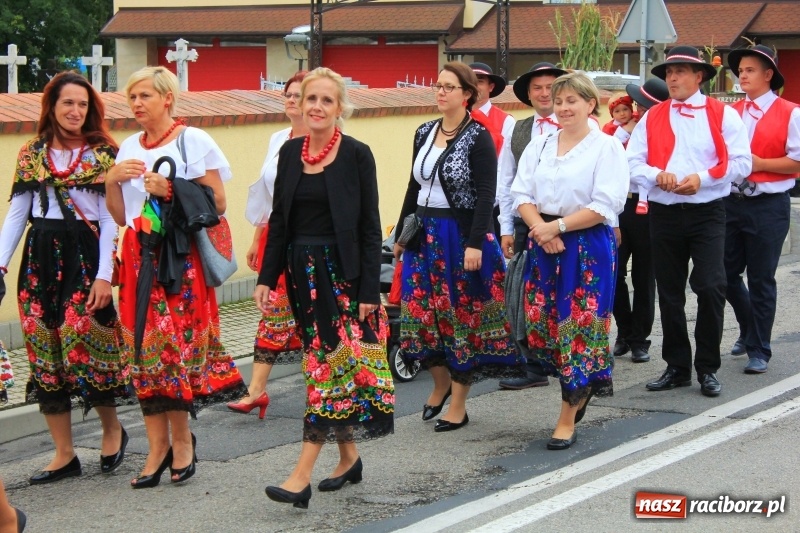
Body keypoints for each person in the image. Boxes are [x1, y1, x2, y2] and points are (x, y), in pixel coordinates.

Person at [255, 67, 394, 509]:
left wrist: (370, 291)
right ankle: (349, 457)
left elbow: (371, 228)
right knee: (327, 367)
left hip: (344, 278)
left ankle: (300, 477)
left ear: (340, 108)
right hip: (300, 275)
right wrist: (266, 278)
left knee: (326, 370)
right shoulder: (289, 151)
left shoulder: (357, 154)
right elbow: (279, 222)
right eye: (309, 99)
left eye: (326, 101)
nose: (316, 107)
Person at [105, 66, 247, 488]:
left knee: (174, 350)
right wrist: (112, 181)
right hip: (137, 255)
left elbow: (217, 202)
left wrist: (170, 187)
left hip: (179, 258)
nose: (136, 104)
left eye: (144, 96)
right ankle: (156, 447)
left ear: (167, 98)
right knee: (144, 353)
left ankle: (181, 442)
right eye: (132, 98)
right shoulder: (129, 145)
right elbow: (120, 215)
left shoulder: (193, 139)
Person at [0, 72, 132, 484]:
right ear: (52, 108)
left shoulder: (104, 154)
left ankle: (112, 432)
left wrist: (105, 276)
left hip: (85, 256)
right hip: (40, 258)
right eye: (67, 104)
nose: (75, 111)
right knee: (44, 351)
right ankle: (64, 453)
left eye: (82, 105)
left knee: (87, 345)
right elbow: (17, 215)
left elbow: (112, 220)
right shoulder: (31, 153)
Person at [393, 61, 523, 433]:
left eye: (449, 87)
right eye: (438, 86)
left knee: (459, 317)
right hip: (423, 236)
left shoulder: (477, 136)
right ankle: (440, 384)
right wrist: (402, 237)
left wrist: (475, 243)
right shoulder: (423, 132)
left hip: (458, 235)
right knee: (421, 316)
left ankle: (460, 405)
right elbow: (412, 187)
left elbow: (486, 196)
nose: (440, 92)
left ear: (467, 95)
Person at [510, 72, 628, 450]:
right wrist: (541, 229)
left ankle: (566, 415)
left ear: (590, 104)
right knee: (545, 323)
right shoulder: (540, 145)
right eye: (558, 101)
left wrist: (557, 226)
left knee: (577, 327)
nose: (562, 108)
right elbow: (521, 192)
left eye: (571, 101)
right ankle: (581, 387)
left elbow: (605, 204)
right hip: (545, 241)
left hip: (587, 245)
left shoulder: (605, 147)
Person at [627, 46, 752, 397]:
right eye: (669, 72)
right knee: (668, 292)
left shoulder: (722, 114)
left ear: (699, 77)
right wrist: (656, 175)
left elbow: (742, 163)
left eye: (680, 71)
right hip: (664, 213)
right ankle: (677, 366)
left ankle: (708, 367)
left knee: (711, 287)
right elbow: (632, 163)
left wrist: (702, 178)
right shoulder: (652, 116)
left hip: (707, 211)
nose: (673, 78)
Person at [227, 71, 307, 418]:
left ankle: (328, 389)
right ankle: (256, 390)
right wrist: (258, 238)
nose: (291, 100)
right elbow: (267, 195)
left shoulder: (331, 141)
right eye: (287, 94)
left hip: (313, 242)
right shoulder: (278, 138)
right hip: (279, 236)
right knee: (273, 312)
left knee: (313, 319)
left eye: (299, 94)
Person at [725, 45, 800, 373]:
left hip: (769, 205)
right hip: (730, 202)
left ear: (768, 75)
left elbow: (796, 162)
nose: (742, 75)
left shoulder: (791, 112)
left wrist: (757, 163)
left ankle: (759, 348)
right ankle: (748, 326)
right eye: (740, 70)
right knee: (721, 274)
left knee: (761, 278)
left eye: (750, 70)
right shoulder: (729, 112)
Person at [496, 61, 568, 390]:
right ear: (528, 94)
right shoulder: (519, 129)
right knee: (527, 292)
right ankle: (534, 364)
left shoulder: (584, 125)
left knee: (569, 290)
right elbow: (506, 180)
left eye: (551, 87)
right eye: (537, 88)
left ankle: (570, 356)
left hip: (570, 220)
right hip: (527, 218)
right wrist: (506, 226)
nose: (544, 94)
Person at [610, 78, 669, 364]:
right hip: (620, 205)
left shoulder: (664, 132)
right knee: (614, 272)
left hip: (650, 207)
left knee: (645, 275)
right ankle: (624, 328)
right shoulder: (616, 133)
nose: (636, 111)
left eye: (642, 106)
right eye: (636, 106)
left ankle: (639, 339)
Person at [467, 62, 515, 238]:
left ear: (491, 86)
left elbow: (504, 169)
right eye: (469, 81)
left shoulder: (506, 121)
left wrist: (487, 203)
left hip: (491, 205)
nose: (474, 86)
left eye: (479, 81)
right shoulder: (455, 118)